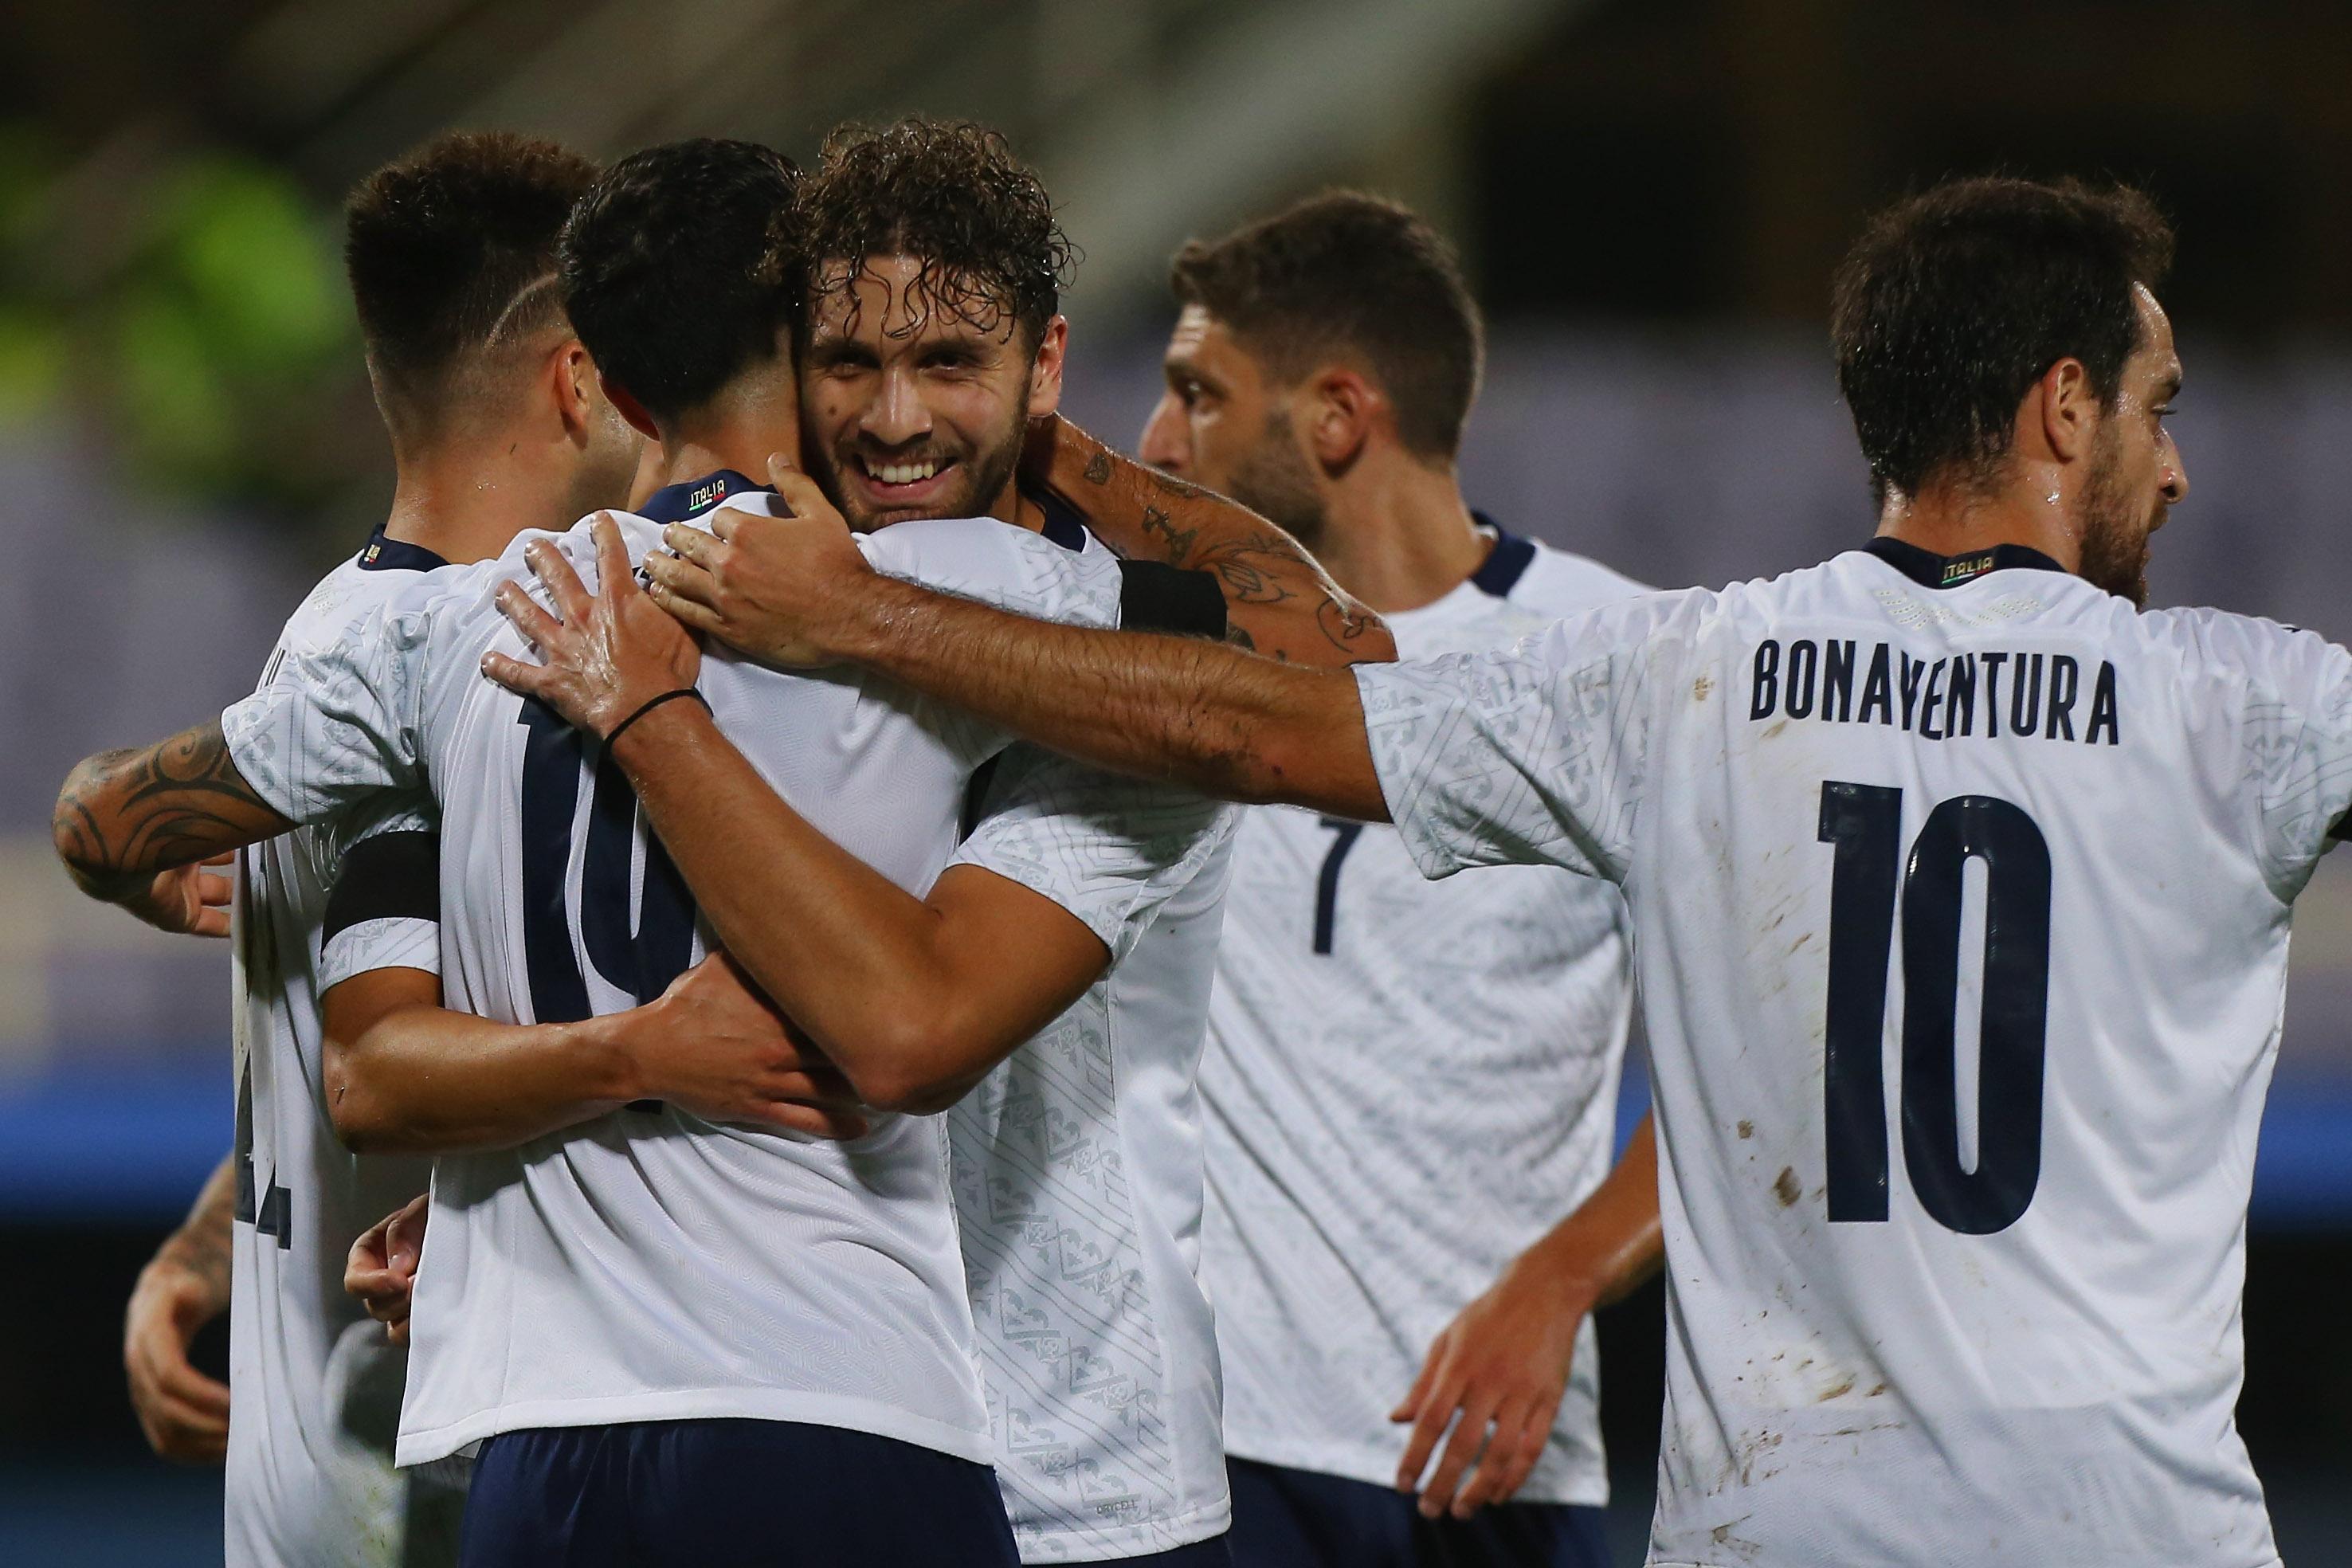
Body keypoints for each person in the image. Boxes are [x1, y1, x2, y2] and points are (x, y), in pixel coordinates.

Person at [628, 174, 2332, 1567]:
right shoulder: (2255, 707)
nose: (2174, 463)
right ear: (2061, 406)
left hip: (1789, 1532)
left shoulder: (1681, 678)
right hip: (2136, 1528)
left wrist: (865, 617)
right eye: (2156, 409)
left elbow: (1254, 726)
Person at [57, 131, 1370, 1568]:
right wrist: (522, 1186)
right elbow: (1326, 655)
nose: (891, 418)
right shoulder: (978, 590)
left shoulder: (484, 625)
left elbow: (118, 824)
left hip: (1060, 1466)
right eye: (851, 364)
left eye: (947, 367)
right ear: (792, 350)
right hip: (852, 1413)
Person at [88, 131, 645, 1566]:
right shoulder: (476, 661)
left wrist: (206, 1246)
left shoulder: (320, 645)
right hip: (441, 1483)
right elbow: (384, 1074)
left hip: (306, 1490)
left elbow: (309, 1026)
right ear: (577, 375)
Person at [1131, 191, 1660, 1568]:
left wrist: (1561, 1285)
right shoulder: (1150, 657)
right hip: (1203, 1462)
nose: (1157, 441)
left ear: (1337, 417)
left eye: (1198, 393)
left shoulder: (1627, 661)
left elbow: (1793, 1047)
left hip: (1484, 1467)